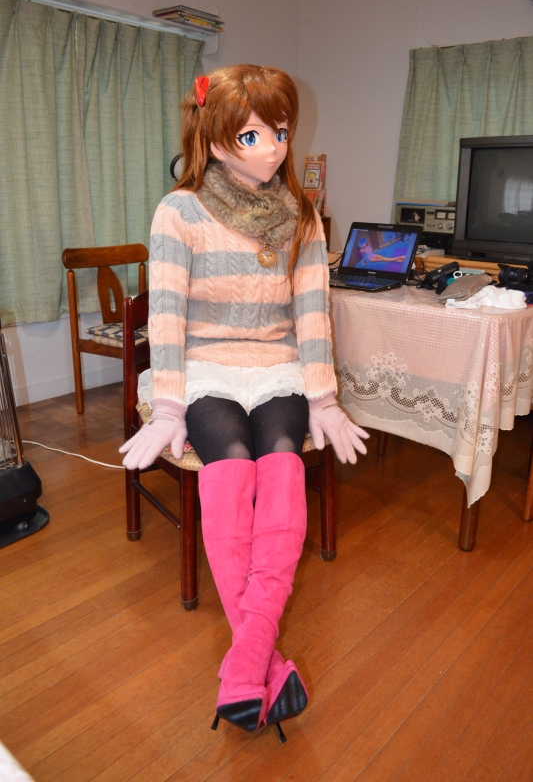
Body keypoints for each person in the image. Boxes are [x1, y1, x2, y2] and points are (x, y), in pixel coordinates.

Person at [120, 65, 368, 739]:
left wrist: (324, 400)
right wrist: (168, 408)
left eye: (279, 132)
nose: (274, 148)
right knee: (230, 467)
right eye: (253, 135)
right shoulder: (180, 211)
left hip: (278, 368)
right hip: (204, 370)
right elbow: (165, 318)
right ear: (215, 139)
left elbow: (311, 314)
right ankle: (263, 663)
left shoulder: (302, 216)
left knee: (281, 464)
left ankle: (243, 670)